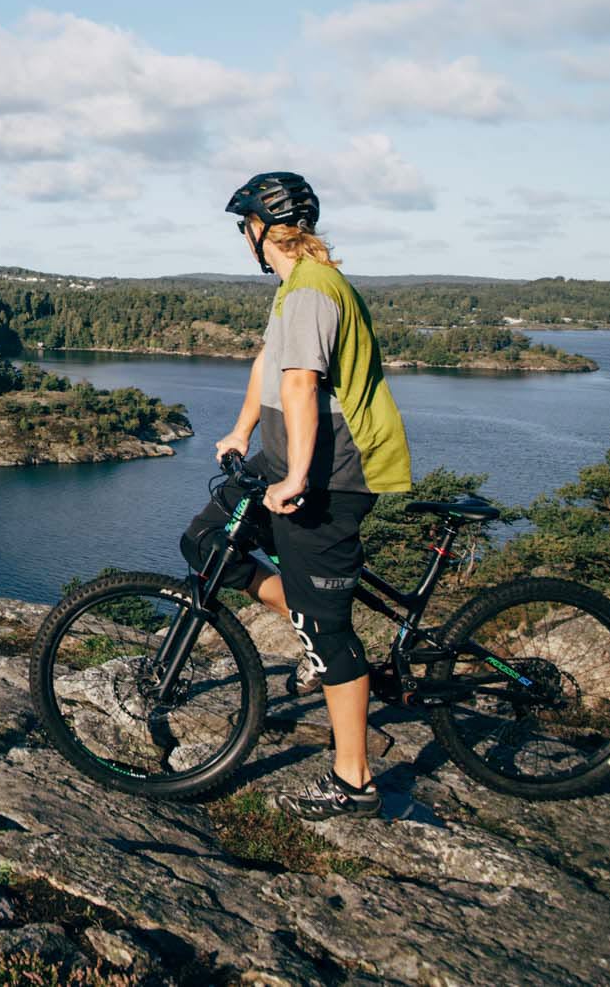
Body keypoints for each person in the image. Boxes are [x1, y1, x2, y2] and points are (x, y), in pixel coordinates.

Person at [196, 171, 413, 820]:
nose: (245, 238)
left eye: (246, 227)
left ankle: (353, 779)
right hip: (284, 456)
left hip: (329, 474)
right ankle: (314, 621)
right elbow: (268, 364)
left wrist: (292, 478)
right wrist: (240, 430)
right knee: (207, 541)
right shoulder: (296, 288)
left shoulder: (315, 290)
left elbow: (300, 384)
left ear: (265, 227)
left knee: (328, 630)